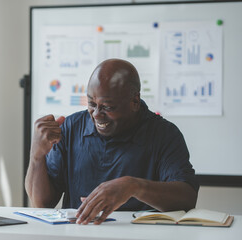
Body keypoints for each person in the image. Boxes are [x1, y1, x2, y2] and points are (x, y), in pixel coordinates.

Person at [25, 59, 199, 225]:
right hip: (78, 234)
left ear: (135, 102)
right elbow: (41, 205)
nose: (96, 114)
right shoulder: (71, 128)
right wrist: (37, 156)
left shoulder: (163, 134)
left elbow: (187, 198)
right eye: (91, 104)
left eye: (107, 107)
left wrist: (134, 186)